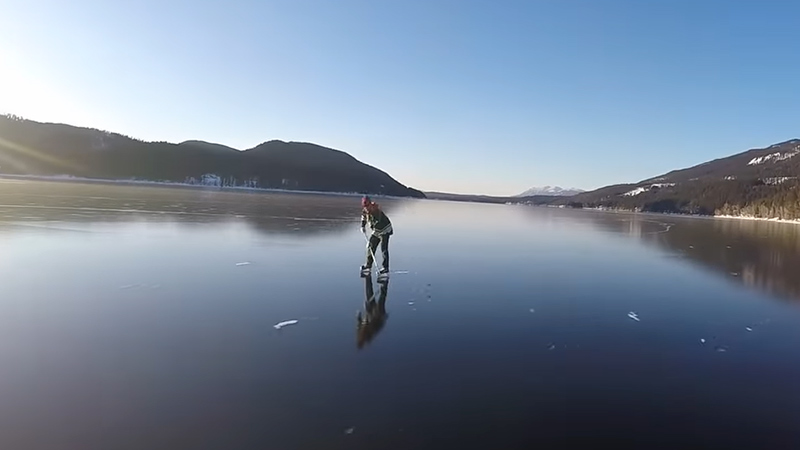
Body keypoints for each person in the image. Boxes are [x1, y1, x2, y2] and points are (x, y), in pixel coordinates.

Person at [360, 195, 393, 275]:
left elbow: (378, 223)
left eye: (367, 205)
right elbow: (363, 218)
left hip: (385, 230)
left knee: (383, 249)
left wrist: (372, 227)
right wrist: (362, 226)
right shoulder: (365, 210)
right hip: (376, 230)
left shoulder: (376, 211)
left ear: (370, 204)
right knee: (370, 247)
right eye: (364, 206)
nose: (366, 208)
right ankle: (368, 265)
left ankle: (385, 268)